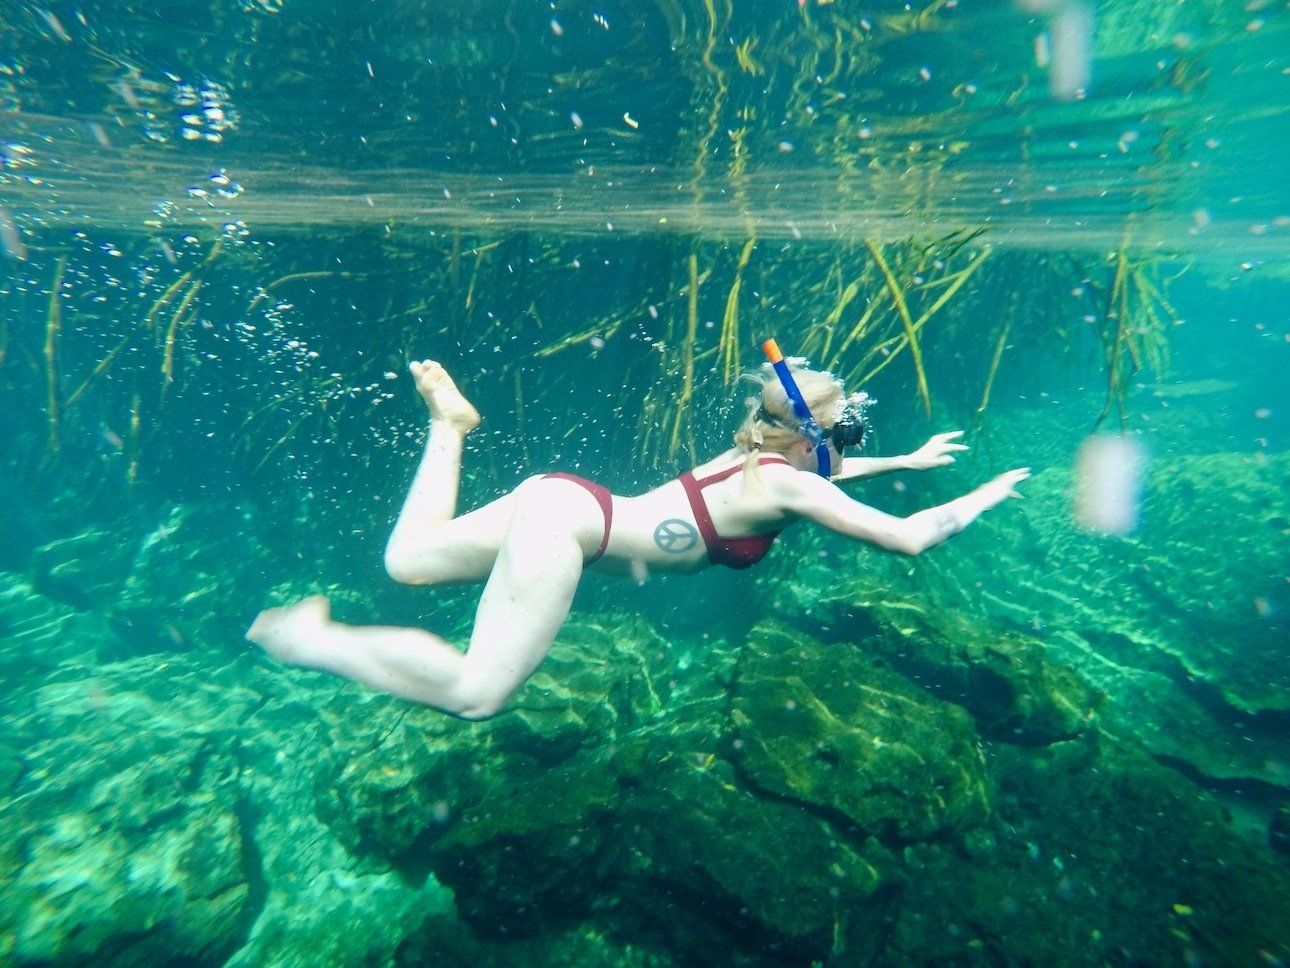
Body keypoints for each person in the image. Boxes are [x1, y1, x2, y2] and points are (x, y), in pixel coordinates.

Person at [247, 354, 1029, 720]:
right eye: (845, 440)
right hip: (566, 528)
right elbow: (911, 539)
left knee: (405, 560)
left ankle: (449, 426)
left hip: (560, 497)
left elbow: (821, 476)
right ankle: (313, 641)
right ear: (810, 445)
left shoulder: (756, 452)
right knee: (476, 693)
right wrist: (985, 493)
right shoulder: (792, 479)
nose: (848, 453)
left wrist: (907, 458)